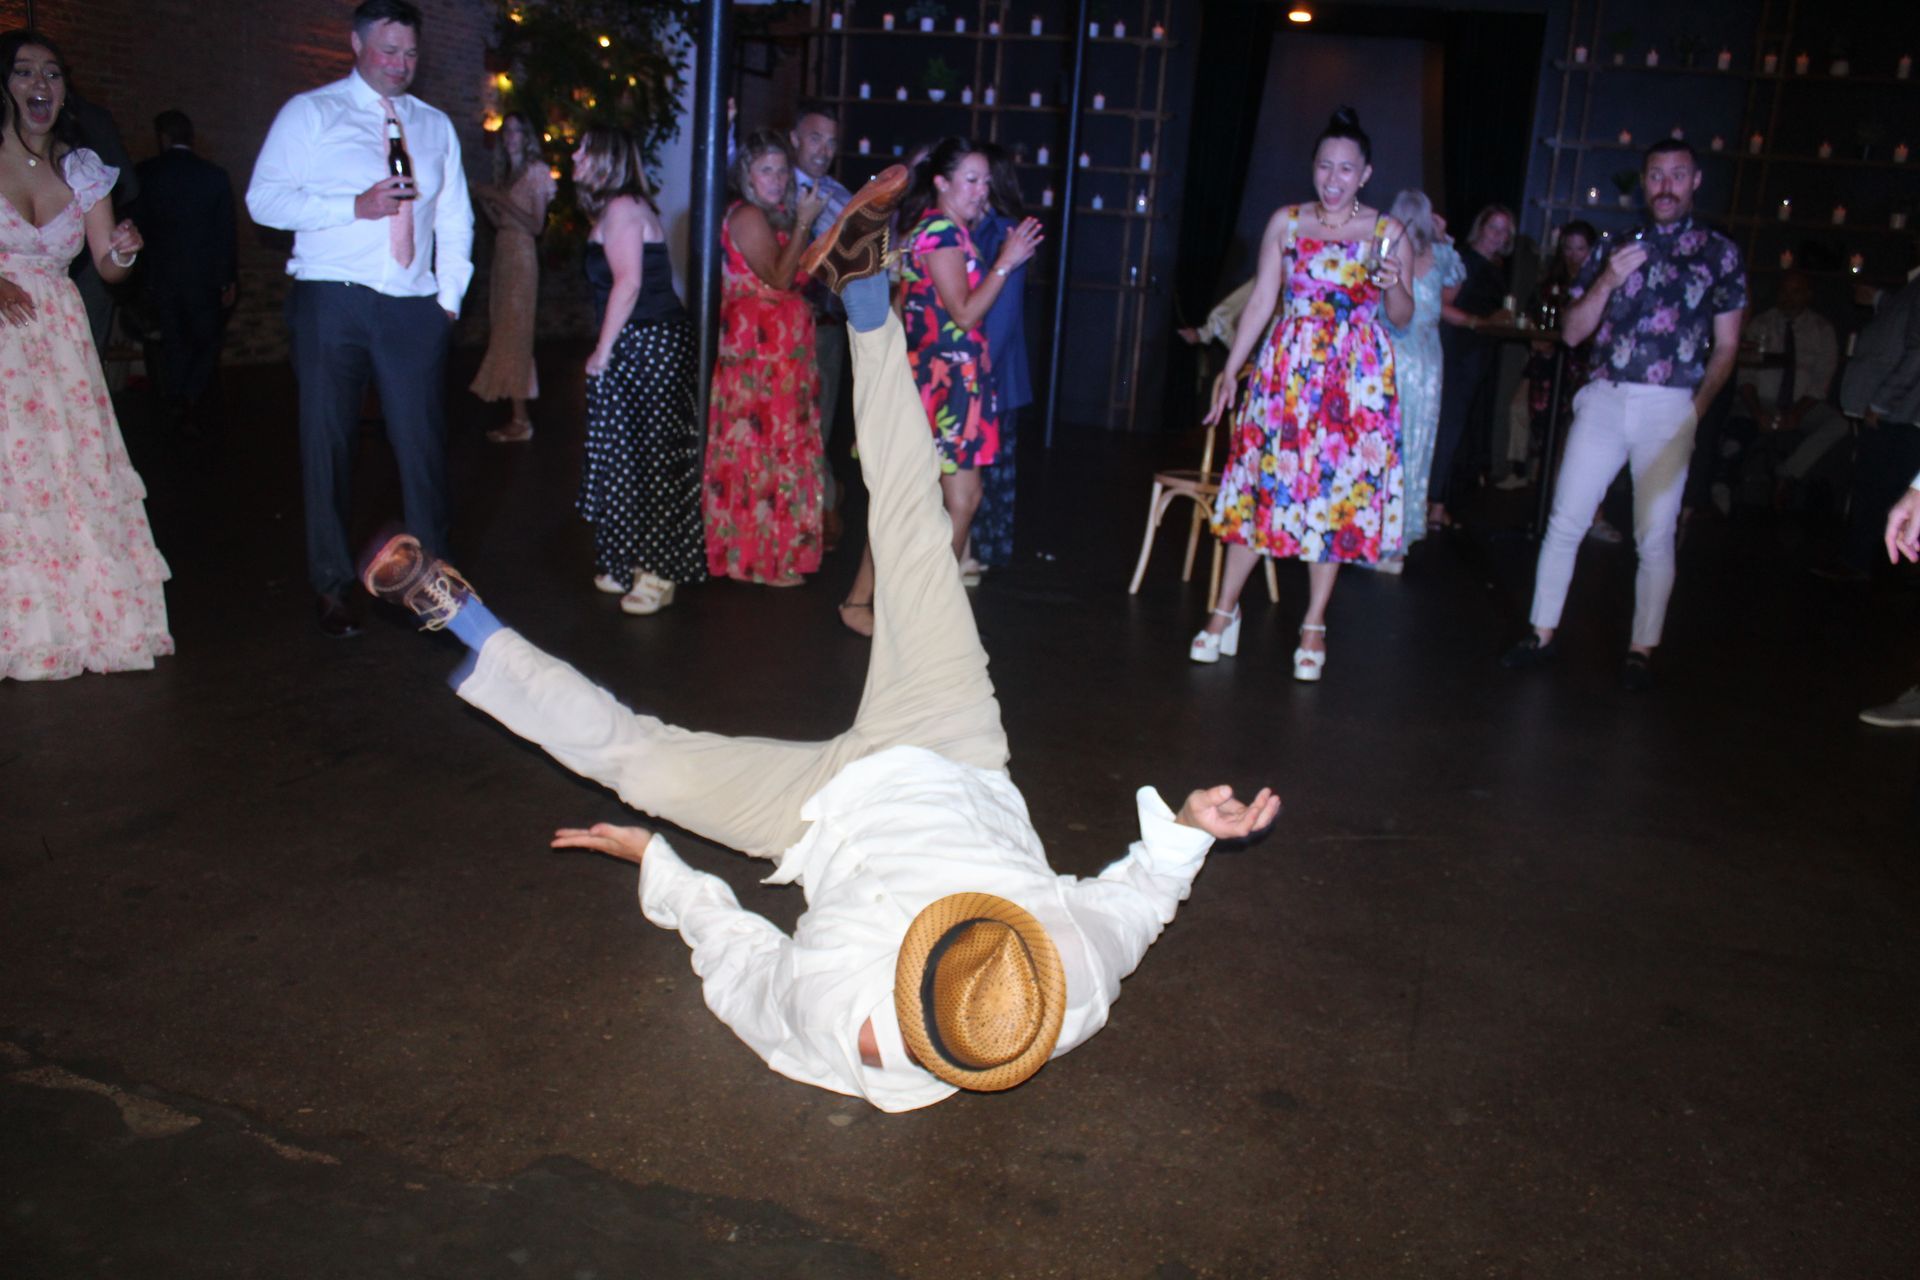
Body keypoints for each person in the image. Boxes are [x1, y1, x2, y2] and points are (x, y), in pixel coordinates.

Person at [357, 168, 1281, 1110]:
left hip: (816, 814)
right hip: (954, 745)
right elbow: (1133, 905)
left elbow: (741, 956)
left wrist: (661, 869)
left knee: (639, 763)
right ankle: (865, 289)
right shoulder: (1067, 984)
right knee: (915, 523)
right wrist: (1188, 837)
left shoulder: (833, 1020)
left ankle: (456, 616)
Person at [246, 0, 475, 639]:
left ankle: (435, 586)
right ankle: (330, 586)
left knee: (422, 448)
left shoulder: (434, 127)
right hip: (332, 298)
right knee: (329, 444)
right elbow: (264, 200)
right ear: (356, 44)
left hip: (412, 305)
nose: (401, 64)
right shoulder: (311, 113)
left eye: (410, 53)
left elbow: (455, 217)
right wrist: (354, 205)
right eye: (388, 51)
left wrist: (447, 301)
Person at [1501, 140, 1747, 691]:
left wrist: (1695, 410)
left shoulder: (1718, 253)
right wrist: (1608, 279)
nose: (1666, 185)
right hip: (1606, 396)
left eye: (1677, 175)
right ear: (1644, 181)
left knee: (1654, 535)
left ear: (1694, 182)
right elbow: (1570, 332)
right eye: (1657, 175)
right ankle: (1540, 632)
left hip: (1670, 404)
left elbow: (1728, 346)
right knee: (1566, 518)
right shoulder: (1614, 247)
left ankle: (1641, 647)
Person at [1192, 106, 1413, 679]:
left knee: (1333, 499)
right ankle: (1224, 611)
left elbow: (1404, 315)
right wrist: (1232, 370)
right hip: (1286, 375)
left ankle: (1313, 622)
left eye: (1346, 169)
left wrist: (1392, 288)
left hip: (1354, 383)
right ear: (1313, 168)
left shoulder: (1389, 233)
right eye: (1324, 167)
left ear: (1365, 174)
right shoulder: (1286, 223)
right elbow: (1263, 299)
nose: (1333, 179)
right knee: (1263, 486)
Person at [0, 29, 172, 680]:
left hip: (60, 343)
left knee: (68, 473)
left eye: (51, 74)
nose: (39, 85)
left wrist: (124, 248)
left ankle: (74, 621)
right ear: (4, 86)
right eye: (23, 73)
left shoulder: (84, 168)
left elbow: (107, 265)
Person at [572, 126, 705, 615]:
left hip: (650, 341)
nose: (575, 154)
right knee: (626, 457)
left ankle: (658, 573)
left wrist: (602, 352)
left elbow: (627, 285)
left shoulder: (624, 209)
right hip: (642, 341)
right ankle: (627, 561)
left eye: (585, 148)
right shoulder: (618, 209)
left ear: (606, 159)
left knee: (653, 461)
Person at [896, 138, 1043, 566]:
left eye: (986, 181)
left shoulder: (951, 231)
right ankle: (925, 599)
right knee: (955, 499)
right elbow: (963, 314)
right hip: (947, 378)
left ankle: (928, 597)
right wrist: (1005, 263)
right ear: (942, 182)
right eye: (972, 180)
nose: (983, 189)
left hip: (954, 376)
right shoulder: (941, 231)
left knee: (963, 497)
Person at [703, 130, 825, 587]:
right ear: (747, 175)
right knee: (761, 452)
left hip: (781, 356)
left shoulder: (773, 214)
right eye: (766, 170)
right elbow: (777, 277)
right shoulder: (748, 215)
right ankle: (758, 560)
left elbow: (797, 274)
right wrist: (803, 225)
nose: (776, 179)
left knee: (780, 451)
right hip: (757, 358)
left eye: (780, 169)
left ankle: (773, 554)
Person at [132, 109, 237, 445]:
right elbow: (225, 232)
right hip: (203, 277)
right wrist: (227, 279)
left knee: (174, 341)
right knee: (207, 340)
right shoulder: (214, 176)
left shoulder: (147, 174)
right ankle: (189, 397)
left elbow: (138, 226)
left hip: (163, 275)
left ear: (163, 137)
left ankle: (178, 399)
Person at [1382, 190, 1463, 557]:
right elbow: (1454, 289)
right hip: (1416, 355)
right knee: (1409, 440)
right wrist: (1445, 238)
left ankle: (1386, 531)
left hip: (1403, 354)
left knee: (1393, 440)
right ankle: (1392, 531)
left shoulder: (1391, 250)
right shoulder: (1438, 253)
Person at [968, 142, 1034, 576]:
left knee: (987, 469)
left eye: (981, 180)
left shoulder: (1005, 231)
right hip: (979, 366)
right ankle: (971, 551)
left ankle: (976, 553)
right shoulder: (972, 227)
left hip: (991, 369)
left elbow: (1004, 315)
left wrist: (979, 372)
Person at [789, 103, 853, 547]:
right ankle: (821, 503)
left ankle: (820, 502)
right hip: (781, 321)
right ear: (794, 138)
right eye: (816, 138)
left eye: (831, 141)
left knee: (819, 418)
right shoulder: (774, 186)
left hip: (826, 324)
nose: (824, 149)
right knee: (788, 418)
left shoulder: (840, 193)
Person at [469, 112, 553, 444]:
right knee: (503, 329)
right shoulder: (507, 174)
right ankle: (516, 415)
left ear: (527, 136)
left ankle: (522, 421)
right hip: (504, 252)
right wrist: (487, 200)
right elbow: (498, 220)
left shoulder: (536, 173)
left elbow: (535, 226)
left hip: (522, 255)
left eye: (517, 131)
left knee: (517, 333)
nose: (511, 137)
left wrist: (498, 197)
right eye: (507, 132)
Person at [1429, 204, 1514, 529]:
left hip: (1477, 352)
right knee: (1448, 428)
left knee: (1460, 429)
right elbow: (1441, 306)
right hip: (1457, 350)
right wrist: (1476, 321)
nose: (1498, 235)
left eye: (1504, 231)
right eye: (1493, 227)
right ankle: (1434, 505)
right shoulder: (1463, 261)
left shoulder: (1494, 266)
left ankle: (1439, 503)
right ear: (1480, 227)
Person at [1732, 270, 1845, 505]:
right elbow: (1746, 373)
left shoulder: (1822, 329)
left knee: (1838, 425)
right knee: (1731, 416)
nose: (1788, 297)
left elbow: (1821, 381)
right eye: (1784, 291)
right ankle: (1723, 483)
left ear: (1807, 295)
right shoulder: (1760, 323)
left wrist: (1796, 414)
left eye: (1795, 292)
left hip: (1801, 404)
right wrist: (1757, 412)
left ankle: (1789, 472)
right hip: (1762, 400)